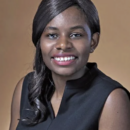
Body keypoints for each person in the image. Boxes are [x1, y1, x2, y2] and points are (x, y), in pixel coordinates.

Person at [9, 0, 130, 130]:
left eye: (76, 35)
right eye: (52, 35)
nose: (63, 44)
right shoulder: (26, 87)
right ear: (39, 42)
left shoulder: (112, 99)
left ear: (93, 42)